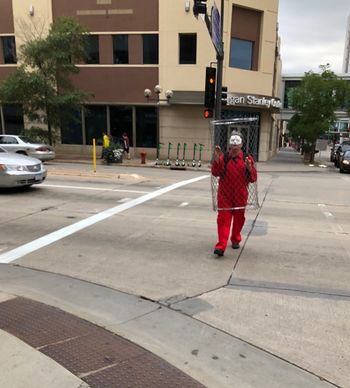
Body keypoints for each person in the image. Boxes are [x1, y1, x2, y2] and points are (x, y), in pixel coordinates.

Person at [211, 132, 257, 257]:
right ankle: (221, 246)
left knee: (239, 219)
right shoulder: (224, 158)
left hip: (240, 194)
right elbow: (216, 172)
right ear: (230, 147)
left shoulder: (247, 159)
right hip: (225, 194)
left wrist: (249, 168)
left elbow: (253, 178)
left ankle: (235, 238)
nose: (234, 149)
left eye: (237, 147)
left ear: (241, 145)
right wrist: (216, 159)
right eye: (232, 147)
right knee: (223, 219)